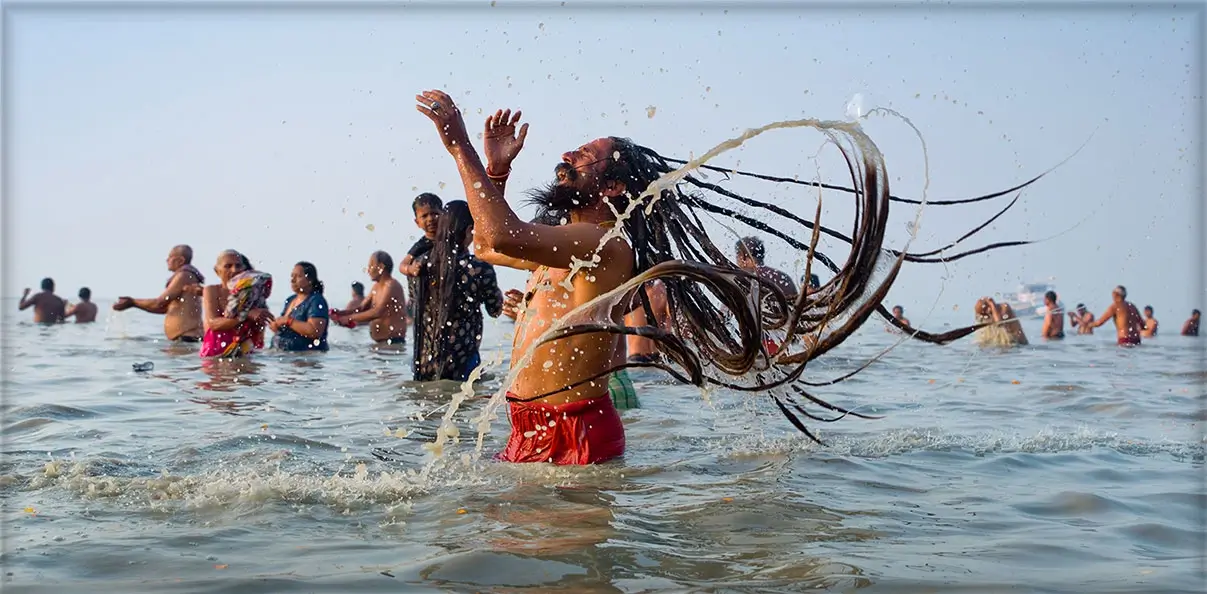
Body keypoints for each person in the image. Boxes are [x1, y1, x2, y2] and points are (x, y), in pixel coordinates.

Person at [416, 90, 1045, 461]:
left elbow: (497, 235)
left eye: (589, 153)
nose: (569, 154)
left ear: (612, 185)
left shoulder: (603, 243)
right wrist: (495, 176)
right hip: (528, 426)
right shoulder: (566, 243)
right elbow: (493, 250)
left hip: (575, 434)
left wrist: (459, 144)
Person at [412, 200, 505, 381]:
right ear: (470, 229)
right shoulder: (478, 267)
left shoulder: (422, 264)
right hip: (463, 361)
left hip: (424, 361)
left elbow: (414, 304)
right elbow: (495, 310)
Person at [113, 245, 206, 342]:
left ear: (180, 260)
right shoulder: (185, 276)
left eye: (170, 257)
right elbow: (163, 308)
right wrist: (134, 304)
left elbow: (159, 302)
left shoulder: (184, 275)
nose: (167, 260)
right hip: (184, 339)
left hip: (187, 339)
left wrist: (133, 302)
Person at [200, 250, 274, 358]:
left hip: (247, 352)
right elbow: (213, 324)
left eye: (238, 266)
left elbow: (260, 327)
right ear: (217, 271)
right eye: (228, 266)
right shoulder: (212, 290)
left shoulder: (252, 292)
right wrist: (246, 314)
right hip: (215, 353)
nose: (234, 270)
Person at [331, 251, 408, 345]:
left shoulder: (391, 285)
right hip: (380, 343)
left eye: (371, 265)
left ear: (381, 267)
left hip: (393, 344)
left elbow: (378, 312)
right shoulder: (376, 287)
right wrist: (340, 314)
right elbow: (361, 309)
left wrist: (349, 318)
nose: (368, 270)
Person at [399, 193, 443, 320]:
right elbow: (402, 265)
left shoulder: (451, 240)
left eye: (434, 213)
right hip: (426, 302)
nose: (430, 219)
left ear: (444, 215)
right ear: (417, 222)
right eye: (424, 216)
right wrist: (411, 270)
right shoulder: (421, 245)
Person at [270, 262, 330, 352]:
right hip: (283, 356)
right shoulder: (290, 300)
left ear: (310, 280)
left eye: (298, 276)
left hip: (305, 358)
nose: (292, 280)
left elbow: (315, 331)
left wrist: (288, 321)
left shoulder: (316, 301)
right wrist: (276, 325)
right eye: (292, 276)